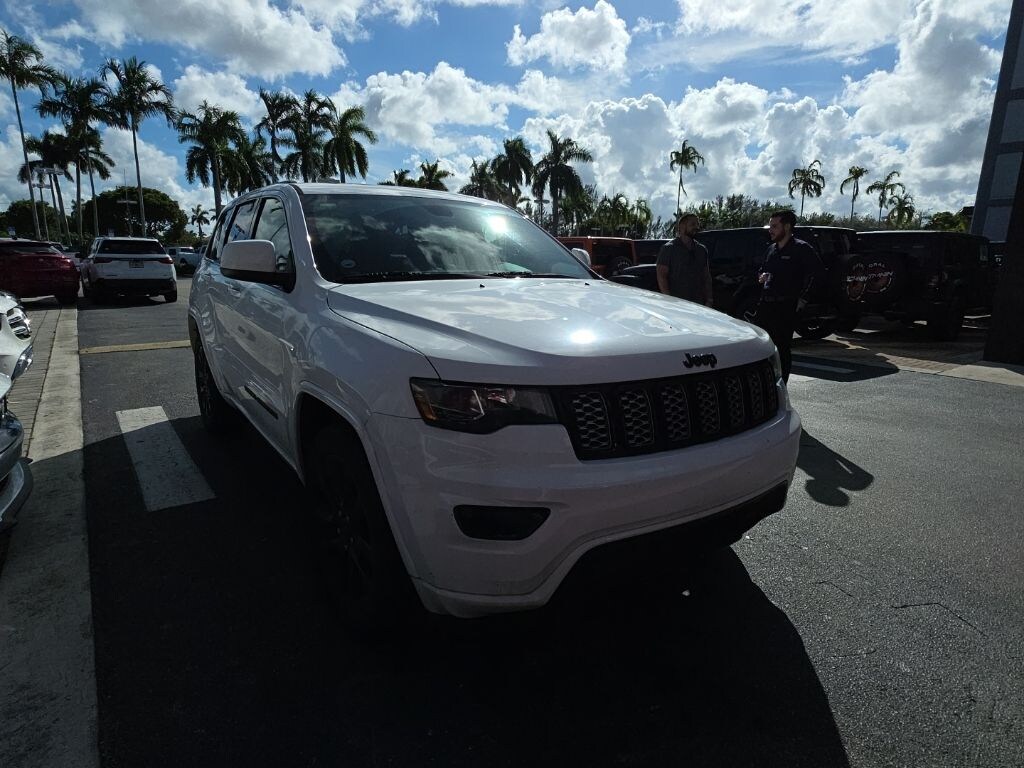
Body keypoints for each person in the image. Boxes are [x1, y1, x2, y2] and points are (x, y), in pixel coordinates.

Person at [753, 210, 825, 382]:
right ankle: (764, 384)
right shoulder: (771, 249)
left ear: (787, 227)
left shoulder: (801, 248)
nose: (770, 230)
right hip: (766, 304)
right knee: (760, 345)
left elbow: (818, 274)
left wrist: (804, 298)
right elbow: (762, 269)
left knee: (782, 348)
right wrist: (761, 277)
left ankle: (781, 387)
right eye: (770, 226)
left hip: (786, 307)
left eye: (774, 226)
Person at [655, 213, 713, 306]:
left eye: (697, 224)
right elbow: (661, 276)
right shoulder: (669, 248)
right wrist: (668, 299)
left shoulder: (701, 250)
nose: (696, 227)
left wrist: (709, 299)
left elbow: (706, 276)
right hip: (677, 303)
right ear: (682, 226)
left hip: (698, 304)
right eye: (693, 224)